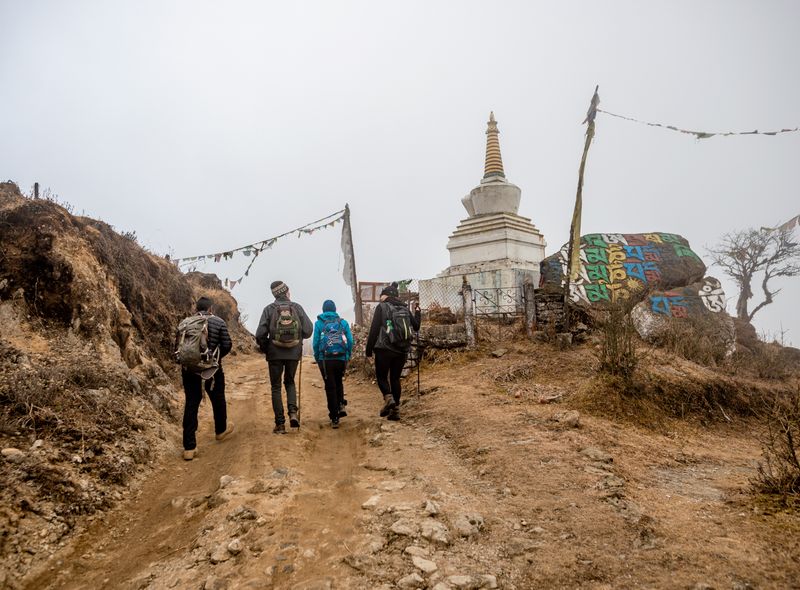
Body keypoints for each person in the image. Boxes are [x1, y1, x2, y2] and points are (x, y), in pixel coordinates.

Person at [176, 296, 234, 461]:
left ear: (196, 308)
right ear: (210, 309)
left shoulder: (186, 322)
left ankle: (189, 447)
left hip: (189, 370)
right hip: (212, 370)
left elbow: (178, 346)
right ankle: (221, 431)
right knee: (218, 399)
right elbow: (227, 344)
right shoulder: (218, 322)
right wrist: (215, 359)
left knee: (191, 403)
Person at [255, 280, 313, 433]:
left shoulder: (268, 309)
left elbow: (260, 334)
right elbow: (308, 331)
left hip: (274, 353)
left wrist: (267, 348)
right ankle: (293, 413)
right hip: (294, 353)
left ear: (274, 294)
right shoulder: (297, 307)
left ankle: (280, 424)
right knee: (290, 382)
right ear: (287, 291)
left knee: (276, 387)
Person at [365, 282, 421, 421]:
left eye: (382, 295)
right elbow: (416, 326)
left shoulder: (381, 307)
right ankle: (395, 411)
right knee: (395, 379)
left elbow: (374, 330)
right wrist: (418, 313)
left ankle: (388, 398)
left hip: (384, 349)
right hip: (402, 349)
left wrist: (368, 350)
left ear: (387, 295)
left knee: (382, 377)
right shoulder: (404, 308)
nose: (380, 297)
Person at [312, 300, 354, 429]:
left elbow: (316, 342)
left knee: (330, 387)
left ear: (323, 310)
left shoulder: (319, 323)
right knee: (338, 382)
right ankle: (341, 404)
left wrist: (317, 357)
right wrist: (347, 355)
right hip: (341, 358)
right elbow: (350, 341)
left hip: (325, 360)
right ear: (335, 309)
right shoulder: (343, 323)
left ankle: (334, 417)